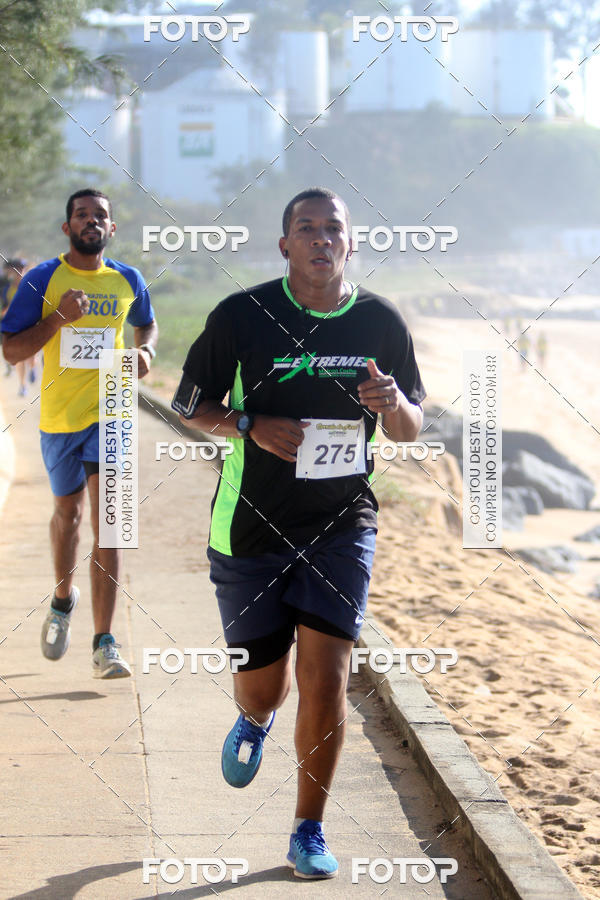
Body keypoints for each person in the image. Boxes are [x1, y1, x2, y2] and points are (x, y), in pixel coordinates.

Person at [173, 187, 425, 878]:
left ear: (351, 242)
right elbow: (189, 402)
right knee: (264, 687)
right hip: (250, 524)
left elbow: (410, 427)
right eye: (306, 228)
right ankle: (254, 719)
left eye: (332, 228)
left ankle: (307, 830)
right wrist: (249, 425)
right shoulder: (241, 316)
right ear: (284, 244)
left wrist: (392, 403)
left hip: (342, 524)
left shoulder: (380, 322)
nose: (320, 238)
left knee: (327, 679)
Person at [1, 189, 158, 678]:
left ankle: (104, 642)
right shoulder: (42, 279)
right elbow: (11, 350)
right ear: (67, 228)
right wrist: (58, 318)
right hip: (60, 417)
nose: (92, 221)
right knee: (67, 516)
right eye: (82, 214)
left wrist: (147, 352)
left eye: (100, 215)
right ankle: (62, 599)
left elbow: (147, 325)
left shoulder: (129, 279)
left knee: (111, 522)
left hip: (113, 408)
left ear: (112, 228)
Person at [2, 259, 39, 395]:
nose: (19, 272)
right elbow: (3, 308)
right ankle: (23, 385)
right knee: (20, 357)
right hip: (15, 326)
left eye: (21, 269)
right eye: (16, 269)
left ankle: (33, 368)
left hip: (31, 324)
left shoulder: (31, 285)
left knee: (31, 356)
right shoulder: (6, 289)